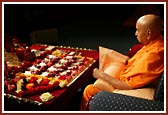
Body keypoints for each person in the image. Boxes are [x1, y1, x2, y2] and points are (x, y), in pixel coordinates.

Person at [80, 14, 164, 110]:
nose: (135, 33)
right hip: (127, 77)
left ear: (148, 34)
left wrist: (101, 75)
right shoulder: (158, 42)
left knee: (89, 90)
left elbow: (128, 86)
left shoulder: (154, 54)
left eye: (138, 30)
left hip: (132, 88)